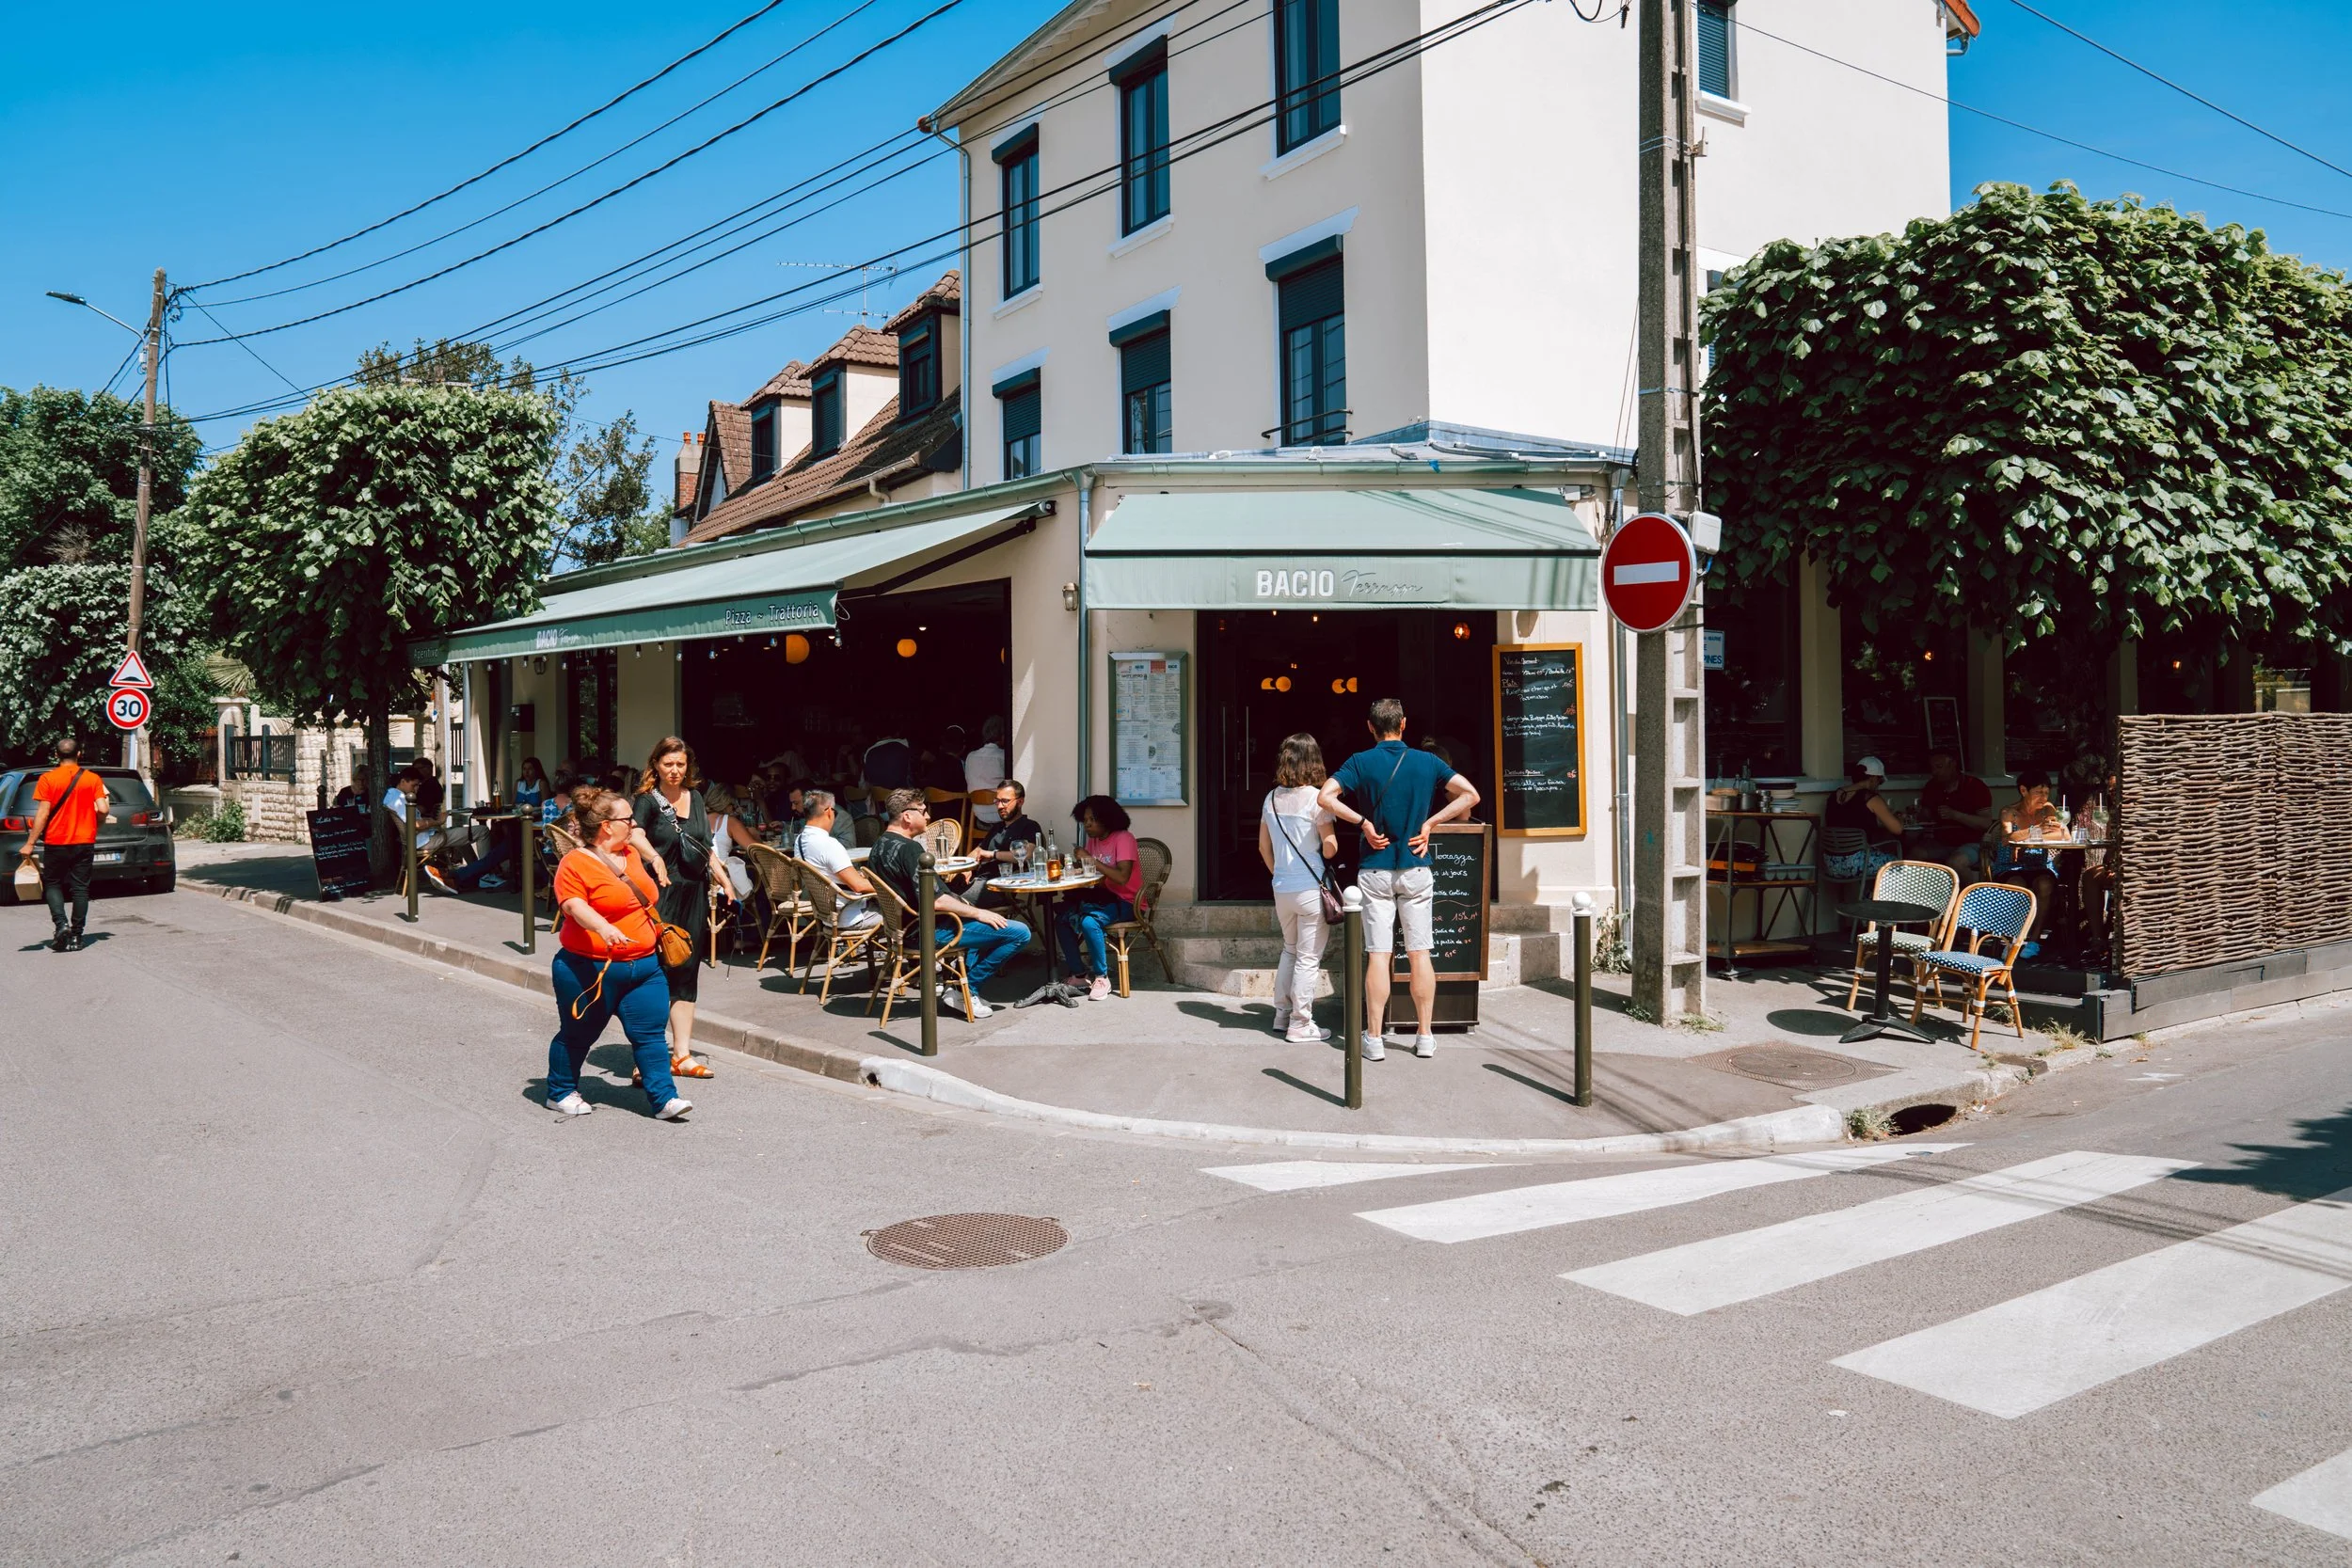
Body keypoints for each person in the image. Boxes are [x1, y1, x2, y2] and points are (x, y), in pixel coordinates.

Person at [1318, 697, 1481, 1060]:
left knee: (1378, 954)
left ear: (1370, 726)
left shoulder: (1360, 762)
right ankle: (1424, 1036)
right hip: (1416, 866)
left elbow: (1326, 798)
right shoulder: (1428, 762)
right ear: (1404, 724)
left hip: (1374, 868)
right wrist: (1431, 822)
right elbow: (1470, 795)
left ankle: (1374, 1039)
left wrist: (1362, 822)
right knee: (1420, 954)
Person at [542, 786, 691, 1121]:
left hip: (645, 967)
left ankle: (664, 1098)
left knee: (651, 1035)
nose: (635, 823)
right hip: (589, 968)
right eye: (627, 818)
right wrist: (603, 927)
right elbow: (573, 905)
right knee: (579, 1034)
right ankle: (561, 1091)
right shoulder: (575, 863)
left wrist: (654, 856)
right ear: (608, 826)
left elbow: (640, 840)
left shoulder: (631, 853)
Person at [868, 788, 1030, 1018]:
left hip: (903, 929)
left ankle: (959, 988)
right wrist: (978, 913)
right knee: (1019, 932)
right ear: (907, 816)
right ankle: (966, 989)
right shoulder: (910, 849)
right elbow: (936, 901)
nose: (927, 817)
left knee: (982, 928)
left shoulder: (879, 846)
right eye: (923, 811)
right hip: (928, 931)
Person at [630, 737, 729, 1081]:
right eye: (668, 764)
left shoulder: (697, 798)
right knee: (658, 972)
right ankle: (649, 1057)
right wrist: (654, 857)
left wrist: (724, 879)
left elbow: (704, 846)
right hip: (660, 895)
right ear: (656, 764)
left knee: (686, 970)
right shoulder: (646, 801)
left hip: (694, 894)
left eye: (681, 765)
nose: (675, 771)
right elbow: (634, 835)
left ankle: (682, 1055)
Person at [1260, 733, 1339, 1043]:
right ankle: (1300, 1022)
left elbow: (1263, 847)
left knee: (1289, 950)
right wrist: (1327, 845)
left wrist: (1280, 873)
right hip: (1310, 888)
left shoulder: (1270, 799)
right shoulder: (1317, 799)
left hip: (1282, 888)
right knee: (1308, 958)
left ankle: (1281, 1014)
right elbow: (1330, 847)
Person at [16, 737, 110, 952]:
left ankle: (61, 925)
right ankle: (77, 936)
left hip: (56, 841)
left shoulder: (48, 779)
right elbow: (103, 809)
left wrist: (30, 843)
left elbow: (43, 813)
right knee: (80, 889)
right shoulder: (92, 779)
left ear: (56, 756)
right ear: (79, 754)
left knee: (53, 884)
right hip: (84, 841)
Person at [1059, 796, 1142, 1001]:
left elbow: (1122, 877)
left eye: (1092, 819)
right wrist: (1072, 865)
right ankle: (1079, 974)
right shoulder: (1093, 841)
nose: (1087, 824)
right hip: (1101, 897)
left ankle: (1101, 977)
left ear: (1108, 818)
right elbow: (1093, 872)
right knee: (1061, 920)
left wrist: (1090, 859)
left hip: (1126, 901)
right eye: (1085, 819)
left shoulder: (1124, 838)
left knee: (1089, 922)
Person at [1994, 769, 2067, 946]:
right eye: (2038, 792)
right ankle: (2014, 940)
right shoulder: (2009, 812)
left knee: (2045, 884)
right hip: (2010, 866)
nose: (2043, 797)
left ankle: (2034, 940)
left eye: (2046, 792)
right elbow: (2008, 838)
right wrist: (2039, 830)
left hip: (2039, 865)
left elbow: (2064, 836)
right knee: (2016, 885)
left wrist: (2027, 836)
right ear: (2024, 790)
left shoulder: (2047, 810)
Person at [793, 788, 882, 934]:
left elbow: (827, 873)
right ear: (828, 811)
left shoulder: (801, 839)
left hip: (826, 914)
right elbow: (859, 886)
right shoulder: (829, 844)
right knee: (908, 911)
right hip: (851, 916)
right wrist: (892, 887)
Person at [1913, 746, 1995, 874]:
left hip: (1973, 843)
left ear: (1953, 765)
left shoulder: (1974, 786)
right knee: (1913, 856)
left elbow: (1986, 823)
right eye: (1932, 768)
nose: (1934, 772)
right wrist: (1915, 816)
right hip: (1941, 842)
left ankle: (1969, 893)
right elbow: (1926, 816)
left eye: (1939, 767)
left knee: (1956, 862)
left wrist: (1955, 815)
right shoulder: (1932, 786)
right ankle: (1925, 893)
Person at [1823, 757, 1905, 882]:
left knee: (1879, 852)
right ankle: (1875, 897)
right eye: (1880, 781)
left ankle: (1869, 894)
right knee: (1899, 865)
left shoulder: (1835, 795)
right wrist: (1900, 818)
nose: (1879, 785)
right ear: (1873, 778)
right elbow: (1897, 829)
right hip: (1857, 863)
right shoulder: (1870, 798)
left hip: (1831, 863)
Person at [970, 780, 1044, 908]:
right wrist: (967, 868)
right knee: (941, 893)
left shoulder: (1029, 826)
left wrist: (993, 854)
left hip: (1000, 887)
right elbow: (977, 851)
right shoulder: (996, 828)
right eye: (997, 801)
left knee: (949, 900)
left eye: (1005, 801)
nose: (999, 806)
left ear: (1020, 802)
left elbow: (1028, 854)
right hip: (978, 880)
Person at [965, 717, 1009, 826]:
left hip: (979, 814)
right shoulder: (1003, 756)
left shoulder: (970, 757)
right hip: (1001, 814)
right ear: (1002, 736)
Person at [411, 756, 445, 822]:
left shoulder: (431, 786)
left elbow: (422, 809)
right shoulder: (424, 785)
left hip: (424, 823)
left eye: (418, 768)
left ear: (429, 768)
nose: (415, 772)